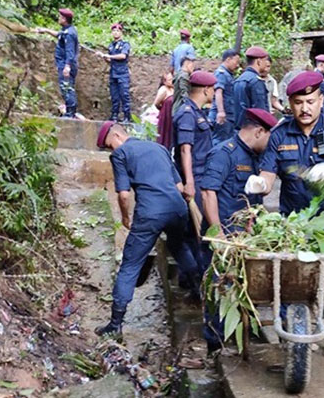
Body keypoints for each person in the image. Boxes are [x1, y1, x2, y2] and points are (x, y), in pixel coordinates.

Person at [245, 71, 324, 333]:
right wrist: (259, 184)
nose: (305, 108)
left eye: (310, 102)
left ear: (321, 100)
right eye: (298, 102)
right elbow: (268, 175)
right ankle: (289, 329)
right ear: (290, 104)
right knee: (290, 274)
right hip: (296, 222)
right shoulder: (280, 134)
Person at [94, 121, 191, 338]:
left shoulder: (120, 154)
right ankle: (198, 291)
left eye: (109, 145)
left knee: (130, 264)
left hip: (150, 213)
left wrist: (126, 217)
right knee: (180, 248)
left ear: (117, 136)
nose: (110, 150)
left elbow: (124, 194)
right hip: (178, 208)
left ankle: (115, 324)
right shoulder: (159, 148)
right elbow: (179, 187)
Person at [200, 108, 278, 351]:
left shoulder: (255, 156)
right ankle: (216, 345)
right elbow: (207, 192)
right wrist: (217, 235)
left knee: (242, 290)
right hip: (224, 239)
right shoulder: (225, 153)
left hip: (244, 239)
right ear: (258, 131)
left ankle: (238, 338)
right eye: (269, 137)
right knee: (218, 290)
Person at [172, 71, 216, 293]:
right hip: (194, 179)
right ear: (207, 90)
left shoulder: (197, 112)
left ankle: (188, 279)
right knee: (197, 232)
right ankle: (196, 281)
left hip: (200, 176)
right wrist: (189, 183)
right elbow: (184, 150)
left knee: (192, 231)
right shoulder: (188, 114)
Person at [36, 9, 80, 118]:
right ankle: (70, 111)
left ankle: (70, 113)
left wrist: (67, 66)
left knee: (67, 87)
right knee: (66, 87)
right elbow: (58, 35)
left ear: (64, 19)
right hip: (63, 64)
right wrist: (45, 30)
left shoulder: (69, 34)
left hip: (66, 65)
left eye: (60, 17)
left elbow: (70, 51)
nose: (58, 18)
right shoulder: (67, 31)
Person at [101, 23, 132, 122]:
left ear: (121, 33)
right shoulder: (111, 46)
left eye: (118, 31)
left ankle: (127, 116)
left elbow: (123, 56)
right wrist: (104, 57)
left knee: (124, 95)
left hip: (122, 74)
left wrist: (109, 56)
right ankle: (114, 115)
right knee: (114, 96)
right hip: (113, 73)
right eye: (114, 31)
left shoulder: (125, 44)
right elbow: (111, 61)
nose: (115, 32)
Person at [233, 46, 270, 127]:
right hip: (253, 130)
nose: (266, 63)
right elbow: (260, 110)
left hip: (239, 128)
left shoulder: (238, 80)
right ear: (259, 61)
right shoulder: (256, 82)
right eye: (265, 60)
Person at [209, 49, 240, 143]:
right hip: (223, 116)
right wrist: (221, 112)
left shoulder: (229, 75)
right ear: (228, 59)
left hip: (229, 115)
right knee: (219, 142)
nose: (237, 65)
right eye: (236, 61)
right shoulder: (221, 73)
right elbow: (218, 92)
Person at [171, 40, 197, 115]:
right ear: (187, 64)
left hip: (177, 110)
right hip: (181, 111)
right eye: (192, 64)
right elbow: (184, 94)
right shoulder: (184, 76)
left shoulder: (178, 74)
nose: (193, 67)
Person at [154, 71, 175, 150]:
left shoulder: (173, 89)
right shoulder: (163, 90)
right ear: (164, 81)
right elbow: (156, 103)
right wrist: (163, 109)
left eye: (172, 79)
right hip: (166, 114)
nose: (171, 81)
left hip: (172, 114)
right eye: (169, 80)